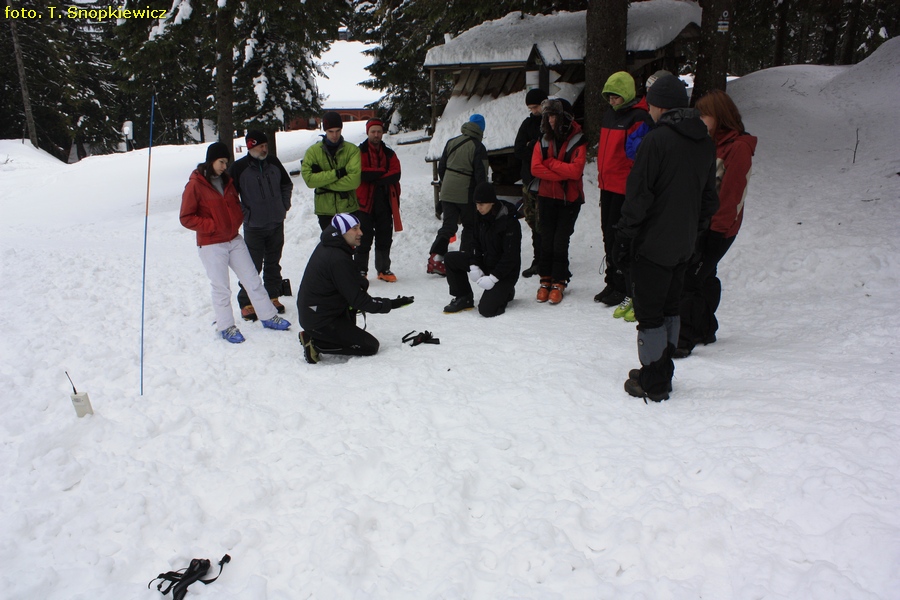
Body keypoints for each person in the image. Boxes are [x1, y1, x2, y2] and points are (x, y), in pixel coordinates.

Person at [614, 74, 718, 401]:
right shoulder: (704, 141)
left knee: (651, 314)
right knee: (671, 308)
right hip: (683, 245)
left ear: (657, 105)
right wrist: (694, 234)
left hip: (653, 245)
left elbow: (639, 197)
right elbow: (709, 200)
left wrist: (623, 236)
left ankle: (655, 383)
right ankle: (659, 368)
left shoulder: (656, 141)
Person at [179, 142, 292, 343]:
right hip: (212, 244)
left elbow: (235, 205)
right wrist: (212, 225)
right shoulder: (195, 184)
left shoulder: (227, 181)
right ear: (211, 160)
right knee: (221, 288)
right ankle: (226, 327)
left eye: (226, 162)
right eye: (221, 162)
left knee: (252, 279)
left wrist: (238, 217)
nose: (224, 166)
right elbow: (186, 217)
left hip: (234, 239)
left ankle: (267, 316)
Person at [675, 89, 758, 358]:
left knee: (691, 278)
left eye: (704, 115)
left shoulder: (739, 147)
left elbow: (732, 194)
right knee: (705, 276)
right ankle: (706, 328)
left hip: (718, 229)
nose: (700, 120)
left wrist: (715, 231)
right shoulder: (711, 142)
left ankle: (684, 338)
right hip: (702, 225)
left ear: (719, 115)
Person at [296, 213, 414, 364]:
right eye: (355, 229)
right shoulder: (336, 257)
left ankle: (323, 334)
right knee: (369, 346)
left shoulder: (333, 246)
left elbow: (348, 284)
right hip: (318, 319)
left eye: (359, 228)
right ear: (342, 231)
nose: (361, 233)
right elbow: (358, 300)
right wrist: (390, 304)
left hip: (318, 311)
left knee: (351, 321)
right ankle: (314, 342)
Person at [595, 72, 654, 321]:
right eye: (609, 96)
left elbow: (636, 155)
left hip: (624, 188)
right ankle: (613, 281)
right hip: (607, 185)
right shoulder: (611, 115)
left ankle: (623, 285)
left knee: (621, 237)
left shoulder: (639, 117)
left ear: (627, 94)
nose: (612, 100)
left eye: (617, 96)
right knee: (608, 234)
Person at [229, 130, 293, 321]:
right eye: (260, 146)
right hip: (254, 227)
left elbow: (286, 185)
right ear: (250, 146)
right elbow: (231, 196)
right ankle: (246, 301)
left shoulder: (273, 162)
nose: (264, 149)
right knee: (252, 266)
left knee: (273, 262)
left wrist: (283, 206)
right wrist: (246, 214)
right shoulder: (239, 168)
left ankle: (272, 296)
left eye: (266, 146)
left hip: (275, 222)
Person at [530, 97, 587, 305]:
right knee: (546, 240)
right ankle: (545, 279)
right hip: (546, 197)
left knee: (560, 241)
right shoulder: (543, 138)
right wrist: (563, 172)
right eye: (548, 116)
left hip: (568, 200)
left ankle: (559, 280)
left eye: (554, 115)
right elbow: (535, 168)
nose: (551, 120)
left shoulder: (578, 139)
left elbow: (576, 170)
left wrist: (551, 163)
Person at [443, 182, 522, 317]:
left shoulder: (508, 221)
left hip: (505, 271)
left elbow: (510, 257)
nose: (478, 208)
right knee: (451, 258)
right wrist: (474, 264)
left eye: (482, 204)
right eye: (476, 204)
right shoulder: (479, 216)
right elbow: (474, 243)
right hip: (486, 262)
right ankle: (464, 297)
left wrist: (493, 278)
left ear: (492, 202)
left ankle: (505, 292)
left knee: (486, 310)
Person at [427, 114, 489, 276]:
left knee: (449, 226)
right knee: (470, 225)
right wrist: (481, 195)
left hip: (447, 191)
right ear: (481, 128)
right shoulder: (478, 147)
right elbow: (480, 174)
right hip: (466, 192)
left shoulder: (452, 142)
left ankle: (436, 258)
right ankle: (463, 259)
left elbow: (441, 168)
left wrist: (446, 185)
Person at [356, 118, 402, 281]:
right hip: (364, 203)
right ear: (367, 132)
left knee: (384, 237)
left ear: (382, 133)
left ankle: (383, 269)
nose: (376, 134)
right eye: (373, 131)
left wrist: (375, 177)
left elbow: (396, 173)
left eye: (378, 131)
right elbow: (360, 172)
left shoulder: (389, 153)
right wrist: (382, 172)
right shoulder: (359, 152)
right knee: (362, 237)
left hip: (384, 201)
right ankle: (360, 271)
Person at [301, 111, 362, 231]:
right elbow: (309, 180)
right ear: (325, 131)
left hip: (348, 208)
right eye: (330, 131)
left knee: (348, 247)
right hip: (325, 210)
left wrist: (323, 183)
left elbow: (354, 181)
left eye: (338, 131)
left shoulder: (352, 151)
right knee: (330, 246)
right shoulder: (313, 152)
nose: (334, 135)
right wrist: (337, 174)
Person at [513, 88, 548, 278]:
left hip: (546, 182)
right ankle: (538, 259)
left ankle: (547, 259)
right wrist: (534, 150)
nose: (533, 111)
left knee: (545, 221)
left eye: (535, 107)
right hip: (529, 180)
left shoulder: (551, 122)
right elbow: (518, 150)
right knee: (533, 221)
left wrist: (532, 147)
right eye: (530, 108)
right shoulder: (527, 124)